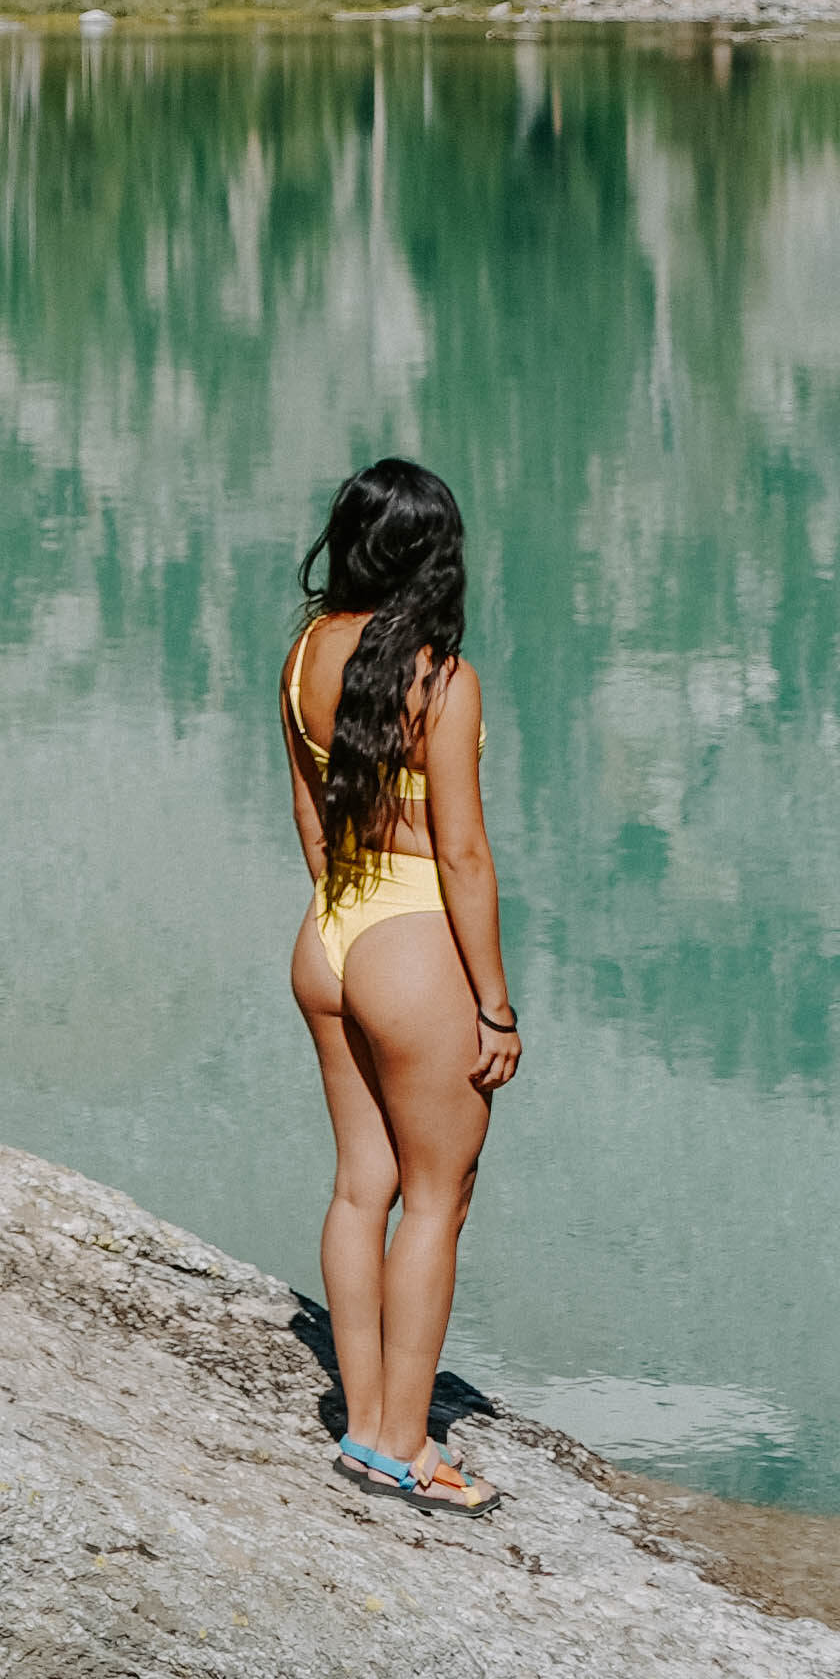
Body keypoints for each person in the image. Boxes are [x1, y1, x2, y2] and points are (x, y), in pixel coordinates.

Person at [282, 454, 520, 1512]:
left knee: (356, 1186)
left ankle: (362, 1421)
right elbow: (464, 855)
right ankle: (402, 1445)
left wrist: (347, 920)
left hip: (330, 930)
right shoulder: (444, 681)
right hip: (416, 942)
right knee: (437, 1197)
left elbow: (305, 814)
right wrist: (494, 1004)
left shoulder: (303, 656)